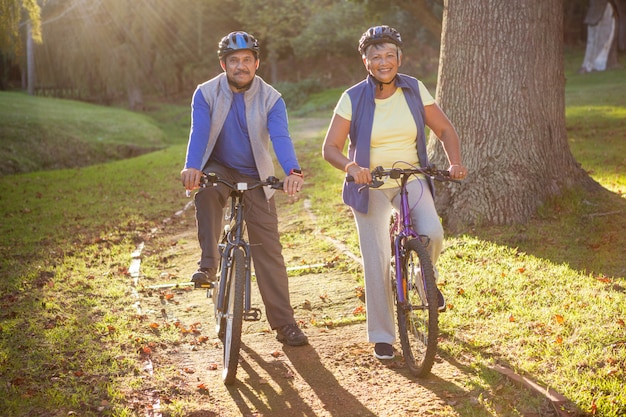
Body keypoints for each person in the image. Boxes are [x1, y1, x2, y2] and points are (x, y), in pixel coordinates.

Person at [321, 25, 467, 360]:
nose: (383, 62)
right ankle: (383, 335)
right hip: (368, 184)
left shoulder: (414, 89)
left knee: (432, 233)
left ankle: (421, 279)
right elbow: (330, 147)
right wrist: (351, 167)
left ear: (399, 58)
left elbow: (444, 128)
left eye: (390, 55)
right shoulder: (353, 97)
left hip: (411, 177)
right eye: (376, 56)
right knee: (376, 259)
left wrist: (455, 162)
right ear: (365, 61)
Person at [181, 31, 308, 346]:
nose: (241, 66)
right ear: (224, 64)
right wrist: (192, 166)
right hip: (218, 166)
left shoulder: (271, 98)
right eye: (234, 60)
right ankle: (208, 265)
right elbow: (198, 132)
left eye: (247, 60)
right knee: (207, 193)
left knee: (269, 250)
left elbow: (280, 137)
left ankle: (284, 324)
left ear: (257, 62)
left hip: (256, 173)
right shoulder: (205, 93)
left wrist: (293, 170)